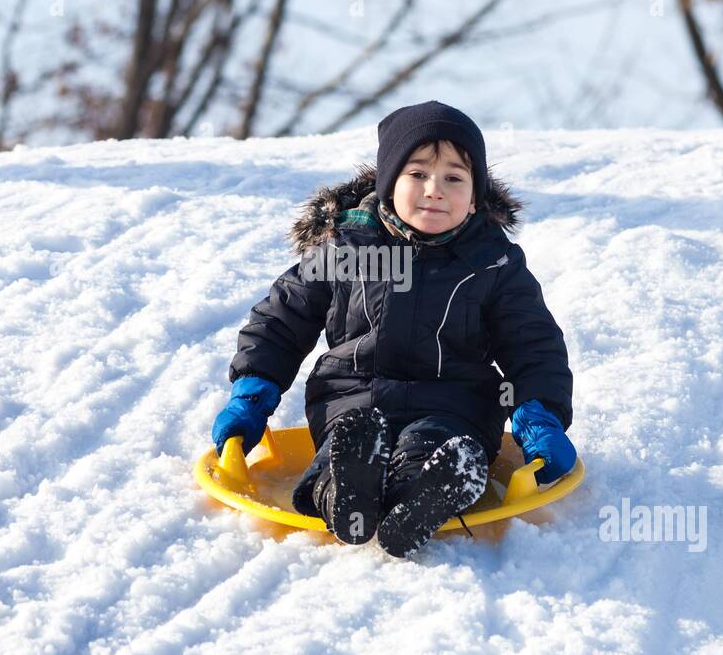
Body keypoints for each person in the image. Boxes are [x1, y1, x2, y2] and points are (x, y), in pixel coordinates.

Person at [212, 100, 576, 557]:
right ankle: (345, 492)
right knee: (344, 449)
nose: (435, 190)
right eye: (418, 174)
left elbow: (533, 345)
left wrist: (538, 413)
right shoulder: (346, 248)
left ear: (475, 193)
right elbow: (281, 321)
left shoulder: (493, 263)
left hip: (456, 403)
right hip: (352, 398)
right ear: (388, 183)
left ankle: (425, 494)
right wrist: (251, 394)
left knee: (433, 448)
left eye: (454, 178)